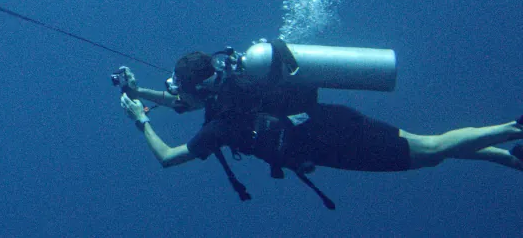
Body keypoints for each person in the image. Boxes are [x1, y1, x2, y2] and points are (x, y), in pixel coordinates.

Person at [116, 49, 523, 208]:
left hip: (330, 144)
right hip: (333, 120)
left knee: (431, 149)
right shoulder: (235, 78)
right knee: (427, 152)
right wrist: (142, 90)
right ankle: (509, 157)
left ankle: (513, 128)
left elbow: (169, 157)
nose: (177, 94)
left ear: (199, 88)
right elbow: (187, 101)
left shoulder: (219, 126)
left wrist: (142, 120)